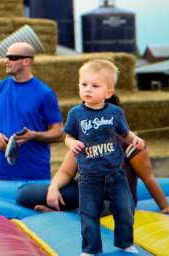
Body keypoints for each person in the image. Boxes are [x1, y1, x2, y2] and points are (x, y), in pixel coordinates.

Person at [16, 93, 169, 214]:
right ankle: (64, 211)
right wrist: (54, 188)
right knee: (24, 194)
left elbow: (148, 178)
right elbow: (65, 171)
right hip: (84, 191)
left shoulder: (130, 143)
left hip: (113, 199)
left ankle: (65, 213)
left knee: (103, 206)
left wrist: (165, 207)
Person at [63, 59, 144, 255]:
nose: (88, 89)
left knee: (125, 209)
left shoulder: (115, 112)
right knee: (89, 214)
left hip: (116, 174)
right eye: (84, 85)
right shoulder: (76, 114)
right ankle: (90, 249)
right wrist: (72, 143)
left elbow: (125, 133)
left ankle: (124, 242)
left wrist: (135, 139)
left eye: (95, 85)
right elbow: (68, 136)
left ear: (109, 92)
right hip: (89, 177)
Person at [0, 42, 63, 180]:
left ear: (26, 61)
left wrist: (34, 135)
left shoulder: (45, 93)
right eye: (6, 57)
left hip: (34, 173)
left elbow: (59, 132)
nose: (6, 61)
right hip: (1, 171)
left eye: (12, 57)